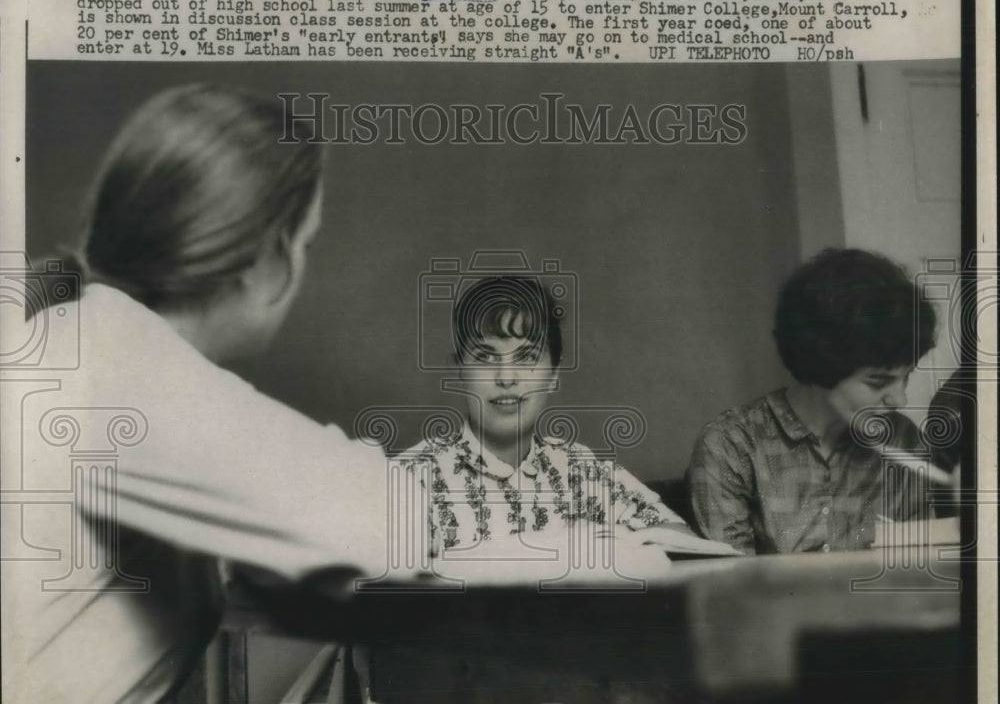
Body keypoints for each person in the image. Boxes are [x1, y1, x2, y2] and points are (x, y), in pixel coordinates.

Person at [2, 84, 395, 703]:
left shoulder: (74, 337)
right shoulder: (123, 362)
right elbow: (380, 516)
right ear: (267, 259)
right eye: (305, 243)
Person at [397, 274, 692, 553]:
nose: (506, 377)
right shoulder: (410, 479)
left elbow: (683, 540)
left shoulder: (585, 473)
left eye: (527, 357)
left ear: (553, 373)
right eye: (485, 357)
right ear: (459, 369)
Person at [688, 248, 945, 555]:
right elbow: (729, 589)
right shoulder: (731, 446)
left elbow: (915, 572)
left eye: (906, 376)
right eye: (878, 382)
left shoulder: (903, 440)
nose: (899, 398)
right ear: (823, 363)